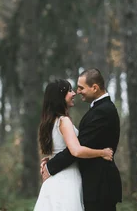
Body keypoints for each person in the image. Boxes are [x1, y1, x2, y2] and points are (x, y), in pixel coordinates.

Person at [41, 69, 122, 211]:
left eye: (81, 88)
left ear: (95, 88)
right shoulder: (96, 110)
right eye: (73, 89)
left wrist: (51, 166)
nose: (77, 92)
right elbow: (76, 148)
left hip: (100, 185)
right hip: (90, 184)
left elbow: (78, 148)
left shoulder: (103, 111)